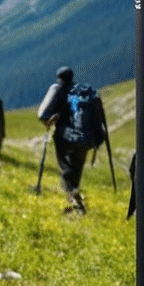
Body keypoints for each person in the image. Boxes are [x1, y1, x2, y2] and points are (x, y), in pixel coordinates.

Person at [37, 66, 106, 214]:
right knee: (76, 169)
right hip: (87, 139)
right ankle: (75, 199)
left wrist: (53, 119)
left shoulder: (59, 89)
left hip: (66, 138)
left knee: (67, 170)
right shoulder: (83, 92)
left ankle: (75, 205)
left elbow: (43, 115)